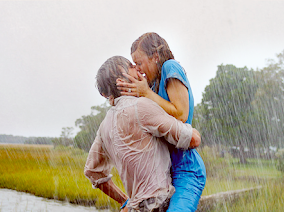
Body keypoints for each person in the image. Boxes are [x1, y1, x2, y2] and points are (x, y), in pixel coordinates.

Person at [84, 56, 202, 212]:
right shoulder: (142, 107)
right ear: (122, 78)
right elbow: (193, 140)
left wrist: (125, 201)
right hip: (159, 204)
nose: (138, 69)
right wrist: (192, 130)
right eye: (132, 66)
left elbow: (93, 172)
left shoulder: (105, 124)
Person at [116, 32, 206, 212]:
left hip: (185, 170)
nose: (139, 69)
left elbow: (180, 114)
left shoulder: (169, 67)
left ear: (155, 56)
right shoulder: (151, 84)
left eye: (140, 63)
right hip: (161, 174)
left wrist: (146, 94)